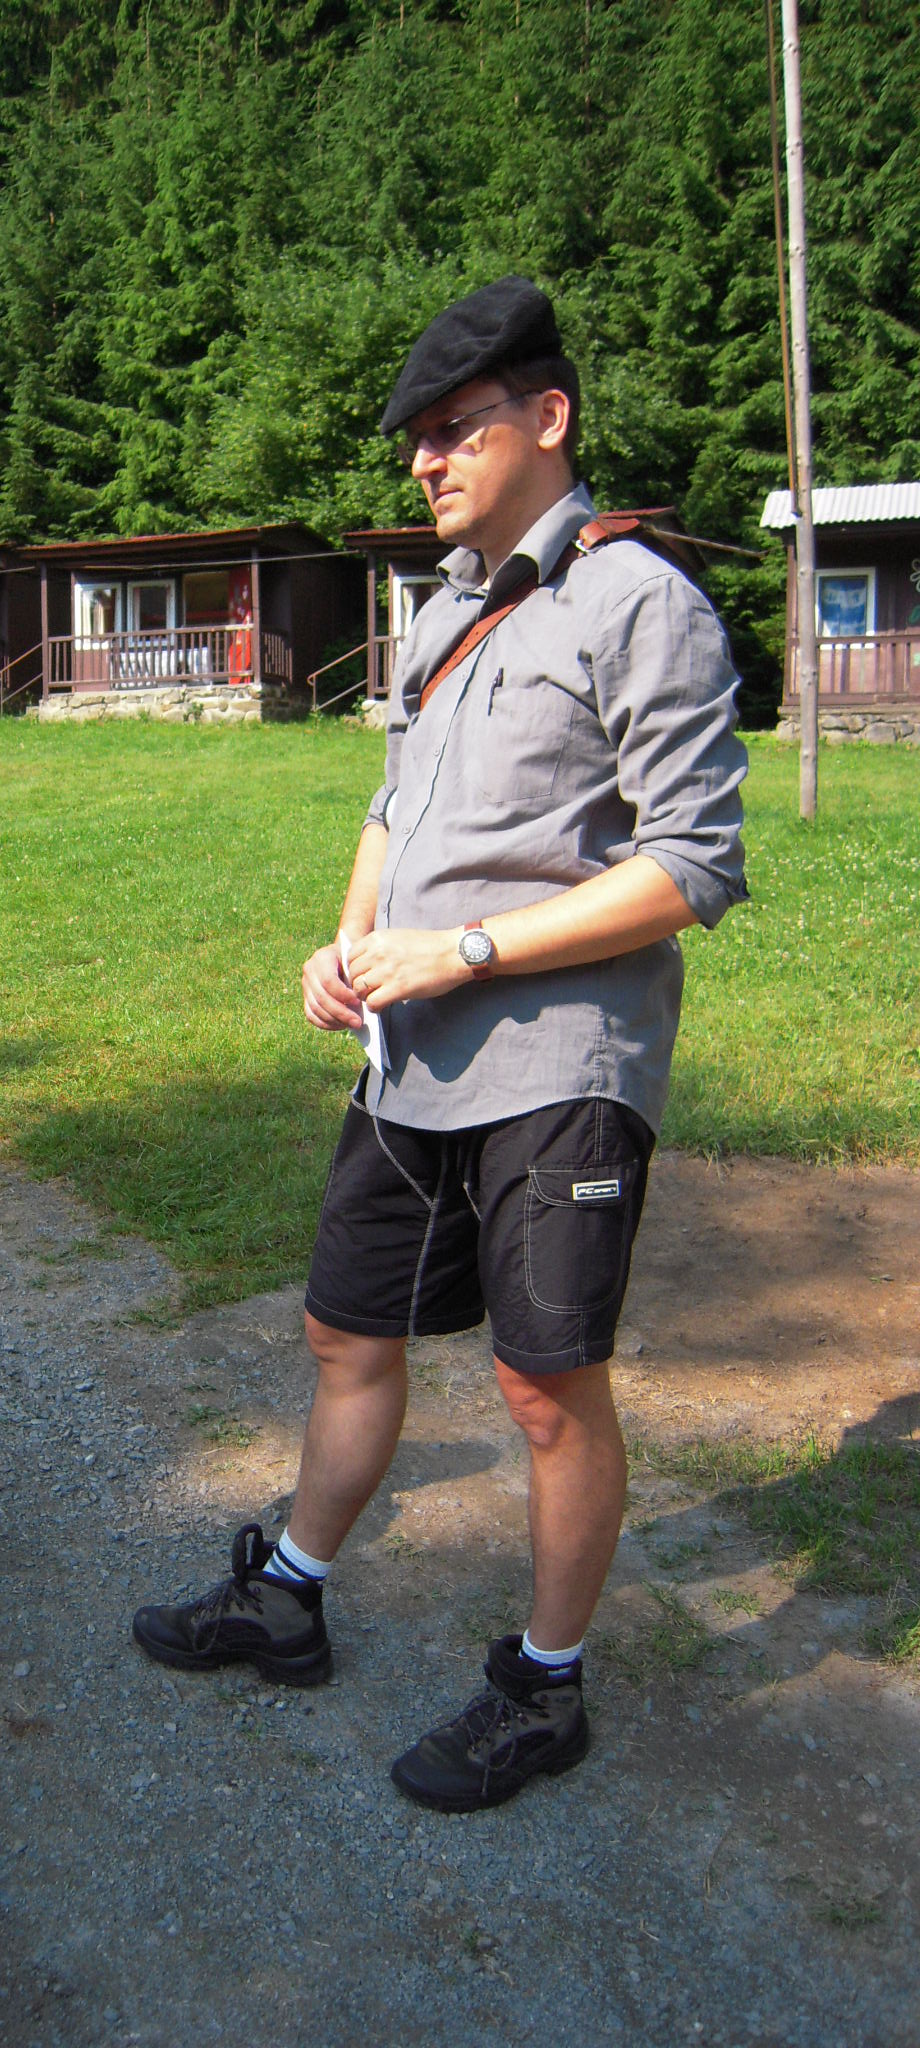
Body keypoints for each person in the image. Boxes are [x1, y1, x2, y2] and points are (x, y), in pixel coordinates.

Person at [132, 276, 748, 1812]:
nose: (425, 459)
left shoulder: (641, 601)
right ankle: (287, 1596)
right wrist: (347, 945)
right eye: (416, 438)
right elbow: (393, 809)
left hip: (563, 1066)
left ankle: (545, 1689)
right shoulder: (441, 610)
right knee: (348, 1335)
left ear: (549, 418)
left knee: (545, 1389)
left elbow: (692, 866)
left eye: (456, 427)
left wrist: (464, 949)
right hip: (409, 1061)